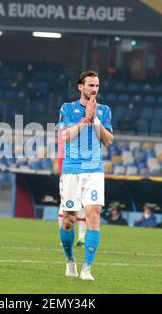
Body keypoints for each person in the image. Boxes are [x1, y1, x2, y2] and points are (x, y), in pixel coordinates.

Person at [58, 70, 114, 281]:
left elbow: (108, 141)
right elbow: (66, 136)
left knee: (93, 214)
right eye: (90, 85)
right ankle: (70, 260)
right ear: (80, 87)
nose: (94, 89)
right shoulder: (67, 108)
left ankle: (87, 269)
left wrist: (96, 119)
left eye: (97, 86)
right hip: (72, 170)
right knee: (69, 221)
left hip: (94, 171)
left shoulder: (105, 110)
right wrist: (85, 119)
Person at [57, 131, 86, 246]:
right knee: (65, 206)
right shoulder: (65, 135)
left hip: (81, 174)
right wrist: (61, 173)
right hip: (68, 174)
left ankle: (81, 238)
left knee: (81, 206)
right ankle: (64, 235)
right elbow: (61, 156)